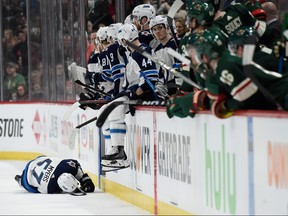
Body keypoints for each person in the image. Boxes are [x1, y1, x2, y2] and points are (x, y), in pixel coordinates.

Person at [191, 29, 288, 118]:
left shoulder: (224, 66)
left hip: (283, 94)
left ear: (204, 56)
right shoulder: (225, 61)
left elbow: (248, 100)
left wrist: (225, 105)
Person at [15, 155, 95, 194]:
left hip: (39, 159)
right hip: (27, 175)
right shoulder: (49, 188)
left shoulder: (67, 167)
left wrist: (84, 178)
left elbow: (76, 164)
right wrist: (84, 179)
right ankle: (20, 181)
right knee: (28, 185)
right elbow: (35, 189)